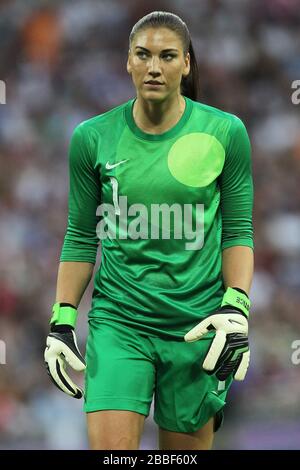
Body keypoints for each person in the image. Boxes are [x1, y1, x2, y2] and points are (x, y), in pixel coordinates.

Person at [44, 11, 254, 450]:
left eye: (167, 55)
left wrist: (237, 305)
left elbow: (238, 232)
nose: (154, 66)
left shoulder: (226, 132)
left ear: (187, 64)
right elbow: (81, 235)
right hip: (120, 322)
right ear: (128, 62)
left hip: (197, 329)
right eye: (143, 54)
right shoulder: (91, 137)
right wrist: (62, 320)